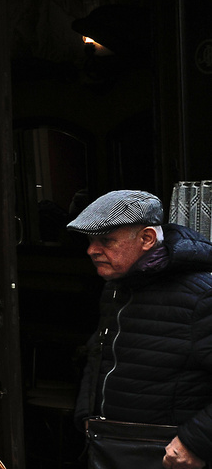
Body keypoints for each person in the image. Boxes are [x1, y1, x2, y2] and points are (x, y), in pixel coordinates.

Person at [69, 190, 212, 469]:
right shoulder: (117, 286)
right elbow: (100, 355)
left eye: (106, 240)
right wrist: (85, 415)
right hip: (110, 447)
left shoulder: (203, 295)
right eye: (90, 240)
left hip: (171, 456)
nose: (91, 250)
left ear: (147, 239)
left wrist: (196, 442)